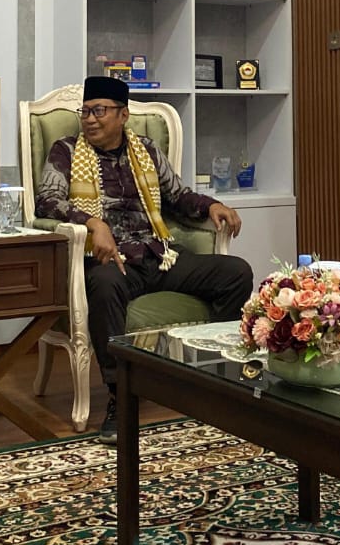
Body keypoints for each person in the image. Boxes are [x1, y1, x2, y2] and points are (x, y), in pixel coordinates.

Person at [35, 76, 253, 442]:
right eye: (85, 112)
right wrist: (93, 223)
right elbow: (47, 201)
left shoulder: (146, 150)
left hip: (158, 255)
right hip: (111, 261)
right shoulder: (66, 150)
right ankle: (120, 397)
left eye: (99, 111)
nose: (89, 119)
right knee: (103, 286)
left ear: (123, 115)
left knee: (236, 273)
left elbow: (178, 196)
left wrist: (211, 205)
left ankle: (211, 376)